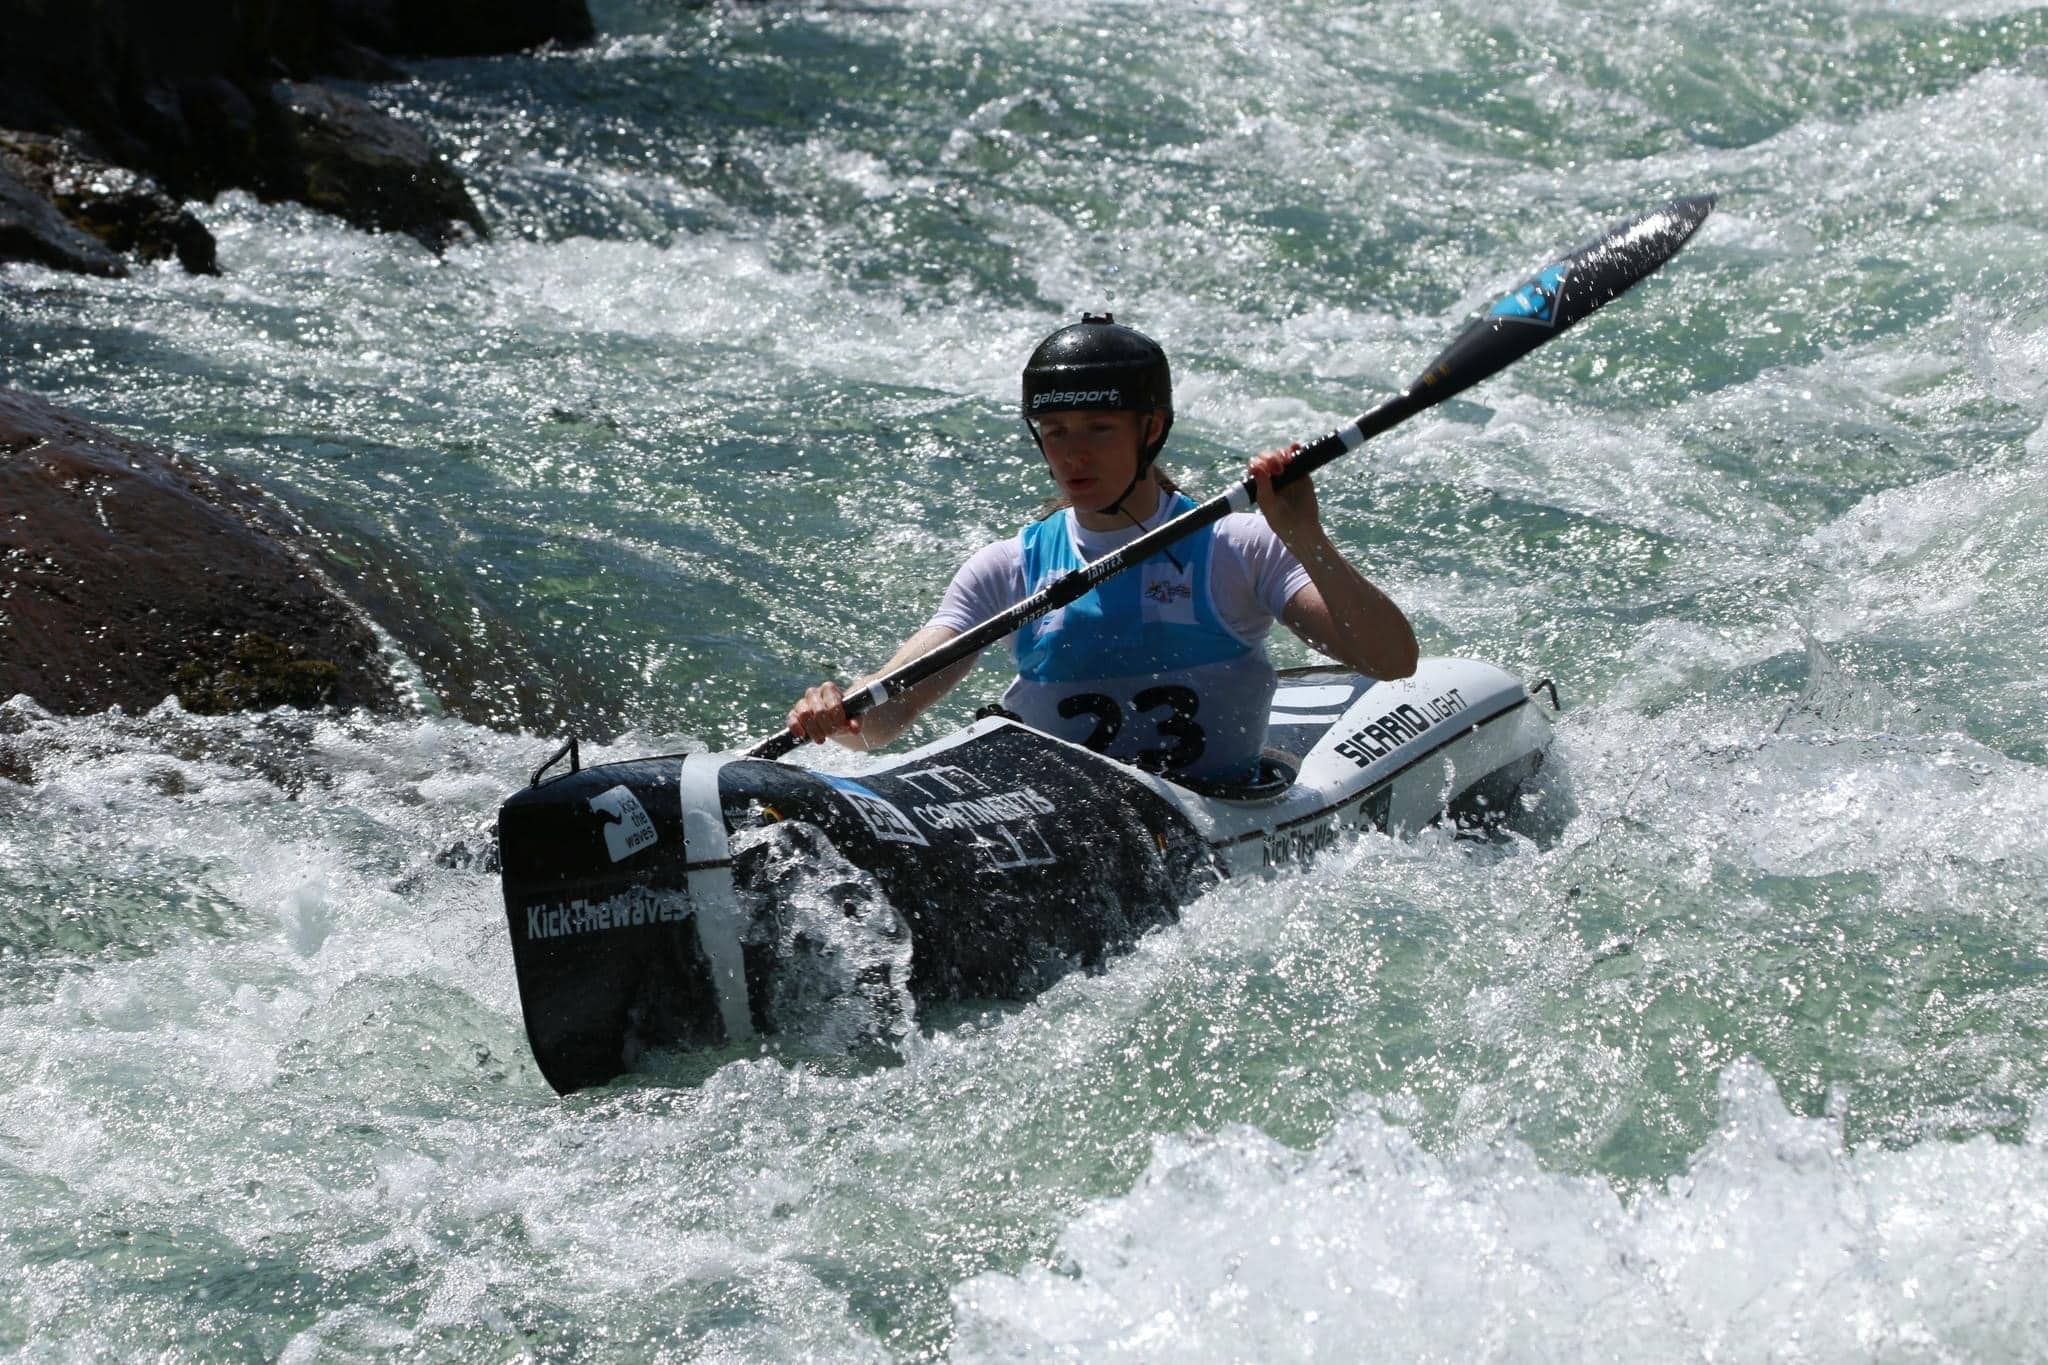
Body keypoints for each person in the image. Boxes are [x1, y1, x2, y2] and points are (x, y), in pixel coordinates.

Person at [786, 313, 1418, 785]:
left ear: (1152, 430)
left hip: (1213, 810)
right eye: (1055, 432)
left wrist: (1304, 535)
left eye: (1098, 428)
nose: (1073, 454)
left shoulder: (1234, 546)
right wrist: (836, 709)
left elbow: (1389, 660)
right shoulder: (1007, 569)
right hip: (1064, 820)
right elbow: (879, 723)